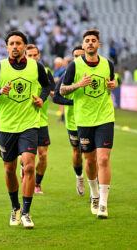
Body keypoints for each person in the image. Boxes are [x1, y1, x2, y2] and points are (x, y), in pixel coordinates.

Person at [0, 31, 50, 228]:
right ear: (6, 47)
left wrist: (41, 98)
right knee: (10, 168)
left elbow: (46, 87)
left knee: (29, 165)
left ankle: (27, 213)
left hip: (29, 124)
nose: (15, 46)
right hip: (6, 126)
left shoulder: (36, 67)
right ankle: (15, 207)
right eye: (11, 43)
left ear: (24, 46)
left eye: (18, 43)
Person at [60, 29, 116, 219]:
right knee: (90, 161)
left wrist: (112, 85)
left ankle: (103, 204)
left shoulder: (108, 64)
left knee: (103, 160)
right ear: (83, 46)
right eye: (87, 41)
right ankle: (94, 193)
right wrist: (78, 85)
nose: (90, 43)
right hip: (83, 120)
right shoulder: (75, 66)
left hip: (105, 118)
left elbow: (111, 82)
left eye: (94, 40)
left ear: (99, 45)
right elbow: (62, 90)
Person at [18, 44, 55, 194]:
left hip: (42, 120)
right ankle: (23, 168)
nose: (33, 58)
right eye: (30, 55)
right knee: (25, 158)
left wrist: (57, 95)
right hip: (25, 120)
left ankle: (37, 184)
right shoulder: (20, 72)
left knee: (43, 155)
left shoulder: (46, 72)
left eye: (35, 55)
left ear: (39, 56)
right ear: (25, 56)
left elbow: (53, 92)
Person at [53, 45, 86, 196]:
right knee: (77, 151)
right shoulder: (67, 74)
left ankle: (96, 182)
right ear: (72, 59)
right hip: (73, 120)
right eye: (76, 56)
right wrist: (73, 103)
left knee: (94, 154)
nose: (79, 58)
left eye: (81, 55)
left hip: (91, 118)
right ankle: (79, 177)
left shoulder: (94, 73)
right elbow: (56, 97)